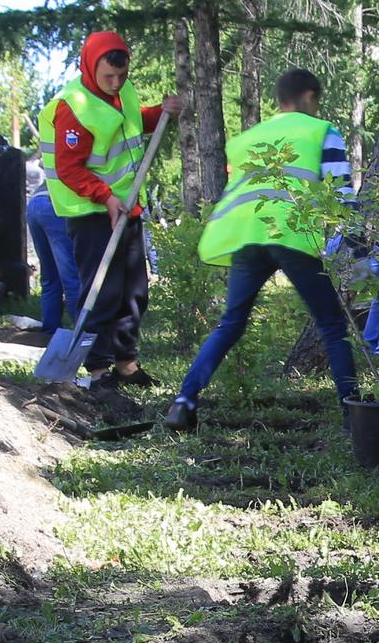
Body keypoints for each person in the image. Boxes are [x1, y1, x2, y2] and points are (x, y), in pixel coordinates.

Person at [164, 68, 358, 431]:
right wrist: (360, 248)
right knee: (332, 326)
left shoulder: (248, 137)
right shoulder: (321, 132)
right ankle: (354, 417)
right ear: (310, 97)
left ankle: (183, 401)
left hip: (246, 236)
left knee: (230, 323)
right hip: (293, 234)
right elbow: (343, 196)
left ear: (280, 99)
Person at [44, 30, 183, 386]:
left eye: (122, 76)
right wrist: (105, 197)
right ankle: (99, 369)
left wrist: (162, 113)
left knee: (134, 292)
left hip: (128, 208)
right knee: (101, 291)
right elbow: (69, 167)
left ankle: (126, 363)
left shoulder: (124, 92)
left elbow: (133, 123)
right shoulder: (73, 108)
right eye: (109, 76)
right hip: (92, 213)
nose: (116, 83)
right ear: (91, 66)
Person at [22, 158, 77, 332]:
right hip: (54, 206)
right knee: (71, 275)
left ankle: (50, 329)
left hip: (35, 203)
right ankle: (83, 333)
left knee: (50, 274)